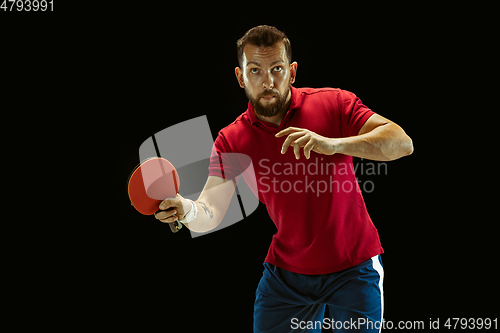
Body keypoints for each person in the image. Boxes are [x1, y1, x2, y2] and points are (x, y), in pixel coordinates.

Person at [154, 25, 413, 332]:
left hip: (354, 267)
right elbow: (211, 211)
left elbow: (401, 142)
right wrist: (188, 210)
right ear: (240, 77)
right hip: (287, 278)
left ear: (291, 72)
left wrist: (333, 144)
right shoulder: (231, 139)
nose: (268, 81)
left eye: (276, 69)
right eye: (255, 70)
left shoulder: (333, 104)